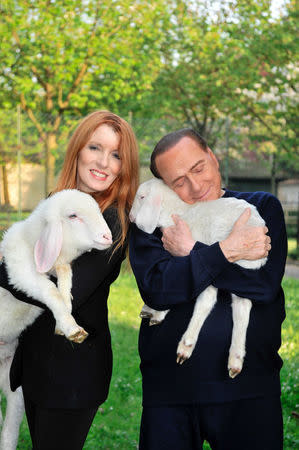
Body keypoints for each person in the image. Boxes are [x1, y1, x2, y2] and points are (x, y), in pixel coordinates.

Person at [129, 128, 287, 450]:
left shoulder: (258, 207)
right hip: (169, 393)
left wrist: (191, 252)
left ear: (213, 157)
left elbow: (262, 285)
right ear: (164, 186)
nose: (196, 186)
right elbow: (158, 289)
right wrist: (229, 251)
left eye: (198, 168)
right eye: (178, 181)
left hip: (250, 388)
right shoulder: (159, 220)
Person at [0, 110, 139, 449]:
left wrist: (3, 269)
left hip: (71, 375)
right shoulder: (57, 202)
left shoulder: (114, 222)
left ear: (125, 165)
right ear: (77, 149)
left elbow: (71, 293)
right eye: (95, 147)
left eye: (116, 154)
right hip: (33, 362)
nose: (104, 162)